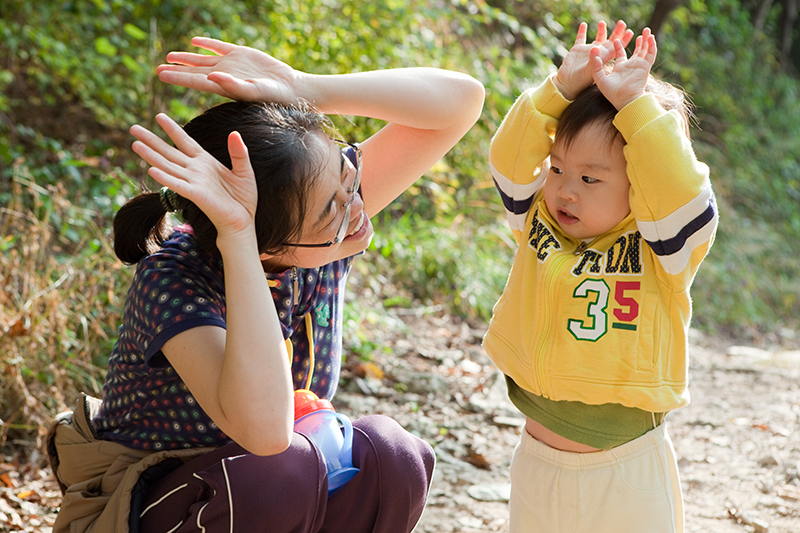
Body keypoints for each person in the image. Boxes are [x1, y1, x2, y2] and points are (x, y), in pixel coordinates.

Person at [47, 37, 484, 533]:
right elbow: (265, 434)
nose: (357, 206)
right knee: (285, 472)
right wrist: (238, 238)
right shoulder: (174, 279)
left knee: (392, 454)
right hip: (153, 496)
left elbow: (460, 102)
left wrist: (303, 87)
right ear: (264, 245)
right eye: (334, 210)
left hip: (270, 473)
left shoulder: (317, 212)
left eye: (348, 179)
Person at [482, 21, 717, 533]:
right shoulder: (536, 220)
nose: (566, 190)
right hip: (537, 462)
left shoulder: (662, 248)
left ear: (640, 185)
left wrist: (637, 112)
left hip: (626, 469)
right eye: (560, 169)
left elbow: (680, 192)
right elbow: (508, 161)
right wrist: (560, 89)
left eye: (591, 178)